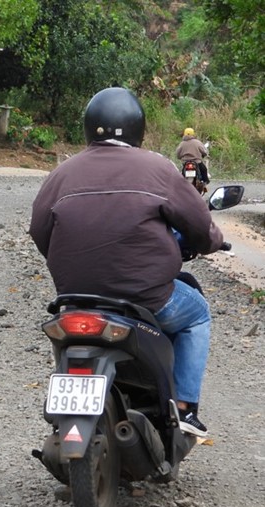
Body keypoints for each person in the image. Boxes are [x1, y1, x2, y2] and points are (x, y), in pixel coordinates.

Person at [28, 87, 226, 437]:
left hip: (74, 299)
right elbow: (198, 225)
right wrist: (209, 243)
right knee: (197, 316)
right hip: (145, 299)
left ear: (90, 127)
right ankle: (184, 409)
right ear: (138, 127)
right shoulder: (158, 168)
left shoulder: (62, 173)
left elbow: (39, 231)